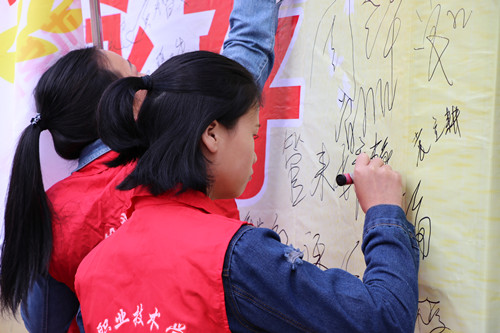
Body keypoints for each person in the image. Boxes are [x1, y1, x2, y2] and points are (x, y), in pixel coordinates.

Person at [75, 50, 420, 332]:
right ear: (211, 134)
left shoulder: (91, 269)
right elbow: (382, 320)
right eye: (253, 134)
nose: (255, 153)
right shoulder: (234, 255)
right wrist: (384, 213)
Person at [0, 1, 283, 331]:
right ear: (127, 102)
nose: (151, 83)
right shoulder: (174, 150)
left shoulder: (48, 212)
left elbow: (47, 325)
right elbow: (246, 49)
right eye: (137, 77)